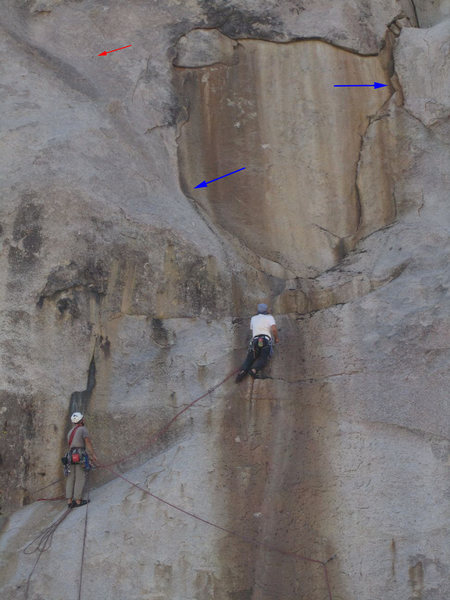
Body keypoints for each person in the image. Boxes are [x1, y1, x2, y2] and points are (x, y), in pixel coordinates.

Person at [236, 303, 280, 382]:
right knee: (263, 358)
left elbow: (253, 329)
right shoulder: (269, 317)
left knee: (250, 358)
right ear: (266, 310)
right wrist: (276, 338)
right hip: (265, 340)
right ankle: (253, 370)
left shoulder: (253, 318)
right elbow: (274, 329)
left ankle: (242, 372)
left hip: (255, 340)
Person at [65, 412, 97, 508]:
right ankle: (78, 500)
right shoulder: (83, 429)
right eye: (83, 418)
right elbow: (87, 442)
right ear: (81, 420)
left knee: (70, 477)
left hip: (70, 455)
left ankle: (69, 501)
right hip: (79, 454)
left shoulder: (70, 432)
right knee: (80, 476)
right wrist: (92, 455)